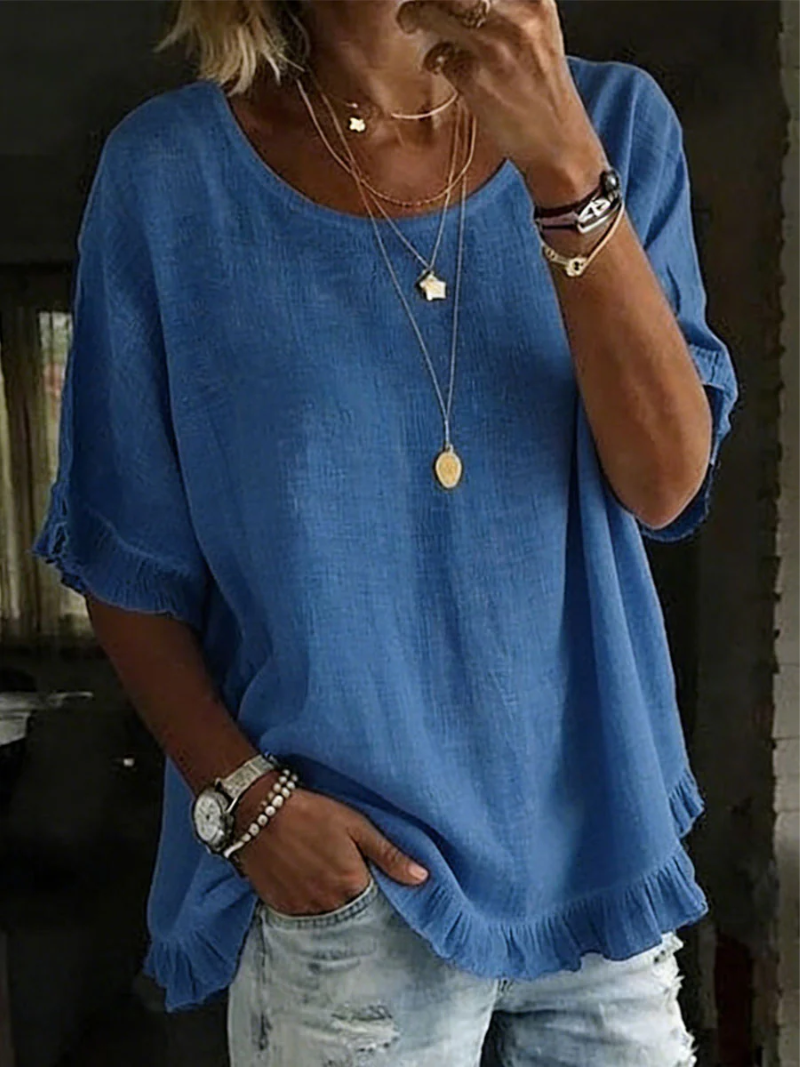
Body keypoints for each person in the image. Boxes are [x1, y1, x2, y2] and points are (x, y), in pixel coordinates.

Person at [31, 0, 739, 1063]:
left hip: (603, 870)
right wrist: (249, 802)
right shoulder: (173, 175)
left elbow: (664, 483)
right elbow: (121, 546)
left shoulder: (613, 122)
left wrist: (561, 165)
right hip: (354, 891)